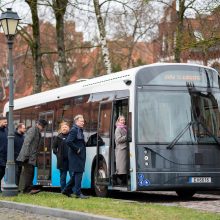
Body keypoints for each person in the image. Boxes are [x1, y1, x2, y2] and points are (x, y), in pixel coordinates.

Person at [16, 119, 48, 194]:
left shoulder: (37, 131)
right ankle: (26, 190)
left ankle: (27, 189)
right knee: (28, 173)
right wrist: (26, 156)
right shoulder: (33, 130)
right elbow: (27, 142)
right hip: (28, 156)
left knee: (30, 172)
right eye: (43, 126)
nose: (43, 128)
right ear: (39, 125)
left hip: (32, 156)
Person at [62, 114, 88, 199]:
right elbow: (68, 141)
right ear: (77, 121)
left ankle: (66, 190)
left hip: (79, 155)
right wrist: (77, 149)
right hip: (76, 155)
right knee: (78, 173)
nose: (83, 123)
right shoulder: (74, 130)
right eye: (81, 121)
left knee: (76, 175)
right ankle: (78, 193)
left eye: (83, 121)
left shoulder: (79, 130)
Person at [52, 121, 70, 191]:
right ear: (61, 128)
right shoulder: (58, 137)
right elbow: (54, 148)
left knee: (73, 175)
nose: (64, 128)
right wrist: (58, 155)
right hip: (62, 160)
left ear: (68, 128)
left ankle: (73, 189)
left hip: (71, 160)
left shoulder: (71, 136)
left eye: (65, 127)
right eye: (63, 127)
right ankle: (63, 190)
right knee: (63, 176)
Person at [115, 115, 128, 185]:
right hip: (121, 150)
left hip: (125, 149)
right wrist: (127, 136)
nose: (123, 121)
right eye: (121, 120)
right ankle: (120, 181)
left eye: (124, 120)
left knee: (124, 167)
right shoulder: (118, 129)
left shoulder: (124, 128)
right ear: (118, 121)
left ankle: (124, 181)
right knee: (121, 168)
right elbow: (118, 139)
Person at [0, 116, 7, 192]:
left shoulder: (6, 131)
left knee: (3, 171)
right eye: (4, 122)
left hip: (4, 156)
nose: (6, 123)